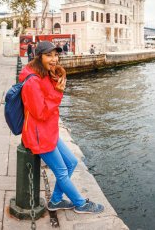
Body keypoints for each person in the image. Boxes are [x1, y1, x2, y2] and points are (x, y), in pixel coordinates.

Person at [19, 41, 104, 213]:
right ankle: (81, 204)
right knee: (62, 172)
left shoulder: (43, 74)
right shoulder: (32, 81)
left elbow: (47, 101)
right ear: (39, 56)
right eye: (49, 55)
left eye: (56, 55)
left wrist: (56, 79)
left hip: (48, 131)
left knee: (71, 162)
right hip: (38, 135)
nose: (54, 59)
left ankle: (56, 201)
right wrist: (58, 92)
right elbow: (41, 113)